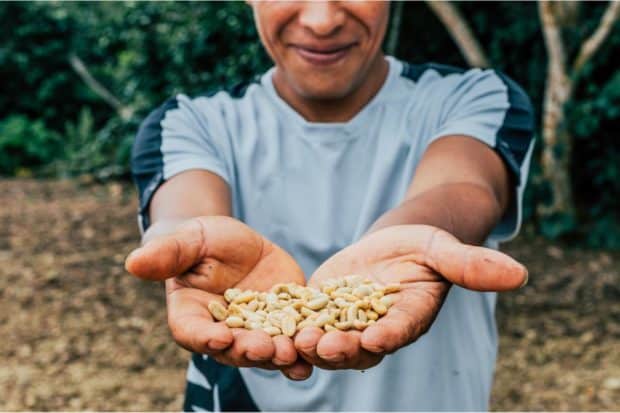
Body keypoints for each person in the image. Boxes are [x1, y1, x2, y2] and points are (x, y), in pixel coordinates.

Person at [125, 1, 535, 411]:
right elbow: (183, 214)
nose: (322, 21)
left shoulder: (475, 98)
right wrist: (178, 240)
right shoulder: (189, 122)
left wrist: (412, 238)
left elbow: (464, 184)